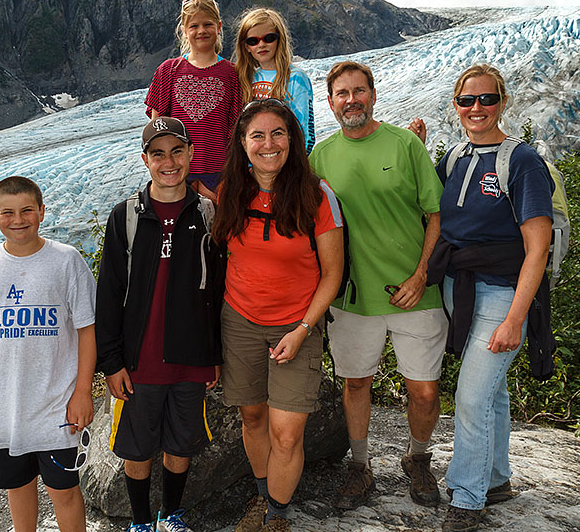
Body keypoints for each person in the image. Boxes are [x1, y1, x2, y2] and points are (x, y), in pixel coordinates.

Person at [308, 61, 448, 510]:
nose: (351, 100)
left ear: (373, 94)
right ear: (330, 104)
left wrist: (422, 272)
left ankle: (417, 457)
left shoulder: (406, 144)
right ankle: (360, 465)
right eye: (342, 94)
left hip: (415, 291)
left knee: (424, 389)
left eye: (359, 91)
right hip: (352, 296)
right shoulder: (321, 157)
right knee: (355, 384)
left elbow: (435, 215)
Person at [427, 65, 553, 532]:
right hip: (458, 287)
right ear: (455, 105)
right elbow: (429, 206)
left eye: (486, 99)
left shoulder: (521, 161)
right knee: (492, 392)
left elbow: (537, 247)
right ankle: (496, 478)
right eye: (466, 100)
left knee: (472, 395)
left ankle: (466, 496)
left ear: (502, 102)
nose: (476, 109)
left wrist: (516, 316)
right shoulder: (456, 155)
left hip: (503, 292)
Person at [213, 99, 344, 532]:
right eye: (257, 135)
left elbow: (333, 274)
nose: (268, 144)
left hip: (296, 326)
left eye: (278, 134)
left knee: (286, 432)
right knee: (252, 417)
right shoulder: (232, 191)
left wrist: (305, 328)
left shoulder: (316, 195)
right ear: (243, 143)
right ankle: (262, 492)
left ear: (292, 139)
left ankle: (277, 513)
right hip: (240, 321)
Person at [0, 176, 96, 532]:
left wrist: (83, 392)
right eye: (8, 212)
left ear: (42, 212)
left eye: (27, 210)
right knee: (17, 484)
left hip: (56, 407)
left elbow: (87, 331)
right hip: (1, 409)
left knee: (65, 490)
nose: (18, 219)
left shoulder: (66, 261)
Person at [95, 116, 224, 532]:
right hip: (140, 361)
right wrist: (111, 362)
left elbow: (217, 292)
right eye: (158, 154)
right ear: (145, 160)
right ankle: (139, 522)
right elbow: (109, 295)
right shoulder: (125, 217)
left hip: (190, 357)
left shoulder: (208, 213)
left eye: (176, 151)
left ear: (189, 154)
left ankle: (171, 514)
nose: (169, 162)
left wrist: (214, 355)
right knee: (137, 448)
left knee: (180, 443)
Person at [145, 0, 242, 202]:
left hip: (221, 177)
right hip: (178, 176)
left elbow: (236, 131)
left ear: (219, 26)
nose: (201, 31)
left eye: (207, 24)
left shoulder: (233, 74)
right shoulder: (167, 71)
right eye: (194, 26)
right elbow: (157, 132)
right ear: (184, 30)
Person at [233, 8, 315, 154]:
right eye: (253, 41)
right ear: (246, 47)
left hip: (287, 161)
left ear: (280, 39)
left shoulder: (296, 78)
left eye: (269, 38)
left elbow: (304, 130)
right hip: (254, 164)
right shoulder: (245, 79)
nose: (261, 44)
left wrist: (298, 162)